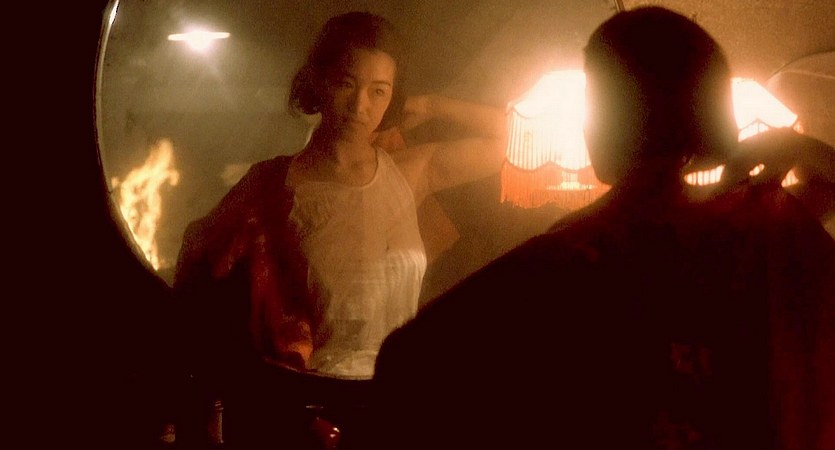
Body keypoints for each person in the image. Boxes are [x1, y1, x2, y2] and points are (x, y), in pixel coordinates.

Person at [369, 7, 835, 450]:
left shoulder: (551, 263)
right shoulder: (766, 229)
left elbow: (409, 363)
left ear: (603, 125)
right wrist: (791, 146)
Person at [170, 9, 506, 448]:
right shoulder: (273, 186)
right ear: (319, 81)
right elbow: (195, 275)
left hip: (395, 405)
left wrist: (432, 105)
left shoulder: (410, 173)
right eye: (347, 83)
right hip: (306, 413)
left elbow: (510, 139)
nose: (360, 106)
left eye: (379, 91)